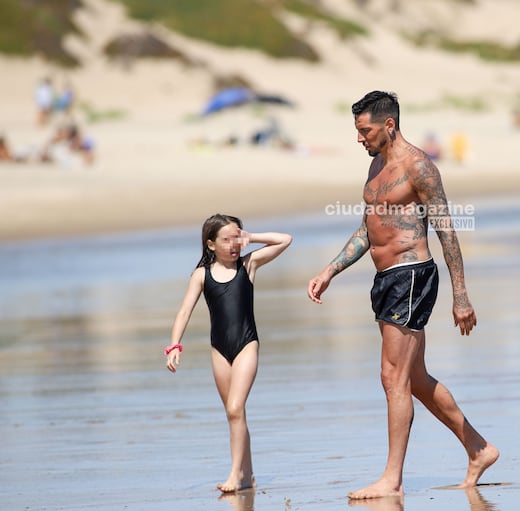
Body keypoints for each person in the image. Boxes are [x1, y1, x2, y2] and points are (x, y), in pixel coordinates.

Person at [307, 91, 498, 499]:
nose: (360, 138)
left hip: (411, 275)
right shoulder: (376, 165)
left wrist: (460, 295)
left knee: (392, 377)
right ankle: (478, 448)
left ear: (388, 125)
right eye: (358, 131)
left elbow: (446, 228)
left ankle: (391, 479)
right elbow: (368, 228)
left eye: (365, 130)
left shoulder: (419, 167)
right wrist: (330, 270)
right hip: (385, 280)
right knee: (413, 378)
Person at [166, 214, 292, 493]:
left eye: (238, 237)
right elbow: (184, 311)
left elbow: (285, 239)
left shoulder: (249, 265)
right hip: (219, 350)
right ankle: (248, 476)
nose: (234, 244)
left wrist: (252, 237)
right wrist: (175, 345)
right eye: (227, 239)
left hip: (247, 344)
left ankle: (235, 475)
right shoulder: (202, 275)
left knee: (235, 409)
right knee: (234, 413)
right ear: (211, 244)